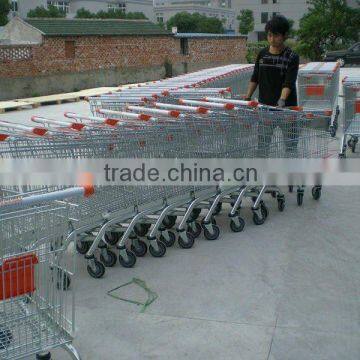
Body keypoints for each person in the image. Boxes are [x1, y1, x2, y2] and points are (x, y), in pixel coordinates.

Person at [245, 15, 300, 157]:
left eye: (276, 36)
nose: (272, 39)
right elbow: (255, 77)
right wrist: (247, 96)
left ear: (284, 36)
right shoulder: (262, 55)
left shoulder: (292, 56)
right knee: (263, 145)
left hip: (286, 108)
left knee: (291, 145)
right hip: (265, 108)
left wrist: (281, 100)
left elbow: (289, 81)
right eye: (269, 35)